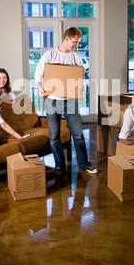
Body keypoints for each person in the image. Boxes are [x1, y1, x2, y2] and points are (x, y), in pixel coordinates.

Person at [35, 27, 98, 175]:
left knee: (78, 134)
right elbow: (38, 72)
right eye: (74, 42)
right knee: (54, 136)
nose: (76, 46)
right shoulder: (50, 55)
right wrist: (39, 86)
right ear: (66, 39)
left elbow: (80, 78)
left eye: (77, 43)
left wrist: (81, 91)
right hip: (52, 101)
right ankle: (59, 166)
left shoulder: (76, 58)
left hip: (70, 100)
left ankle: (84, 164)